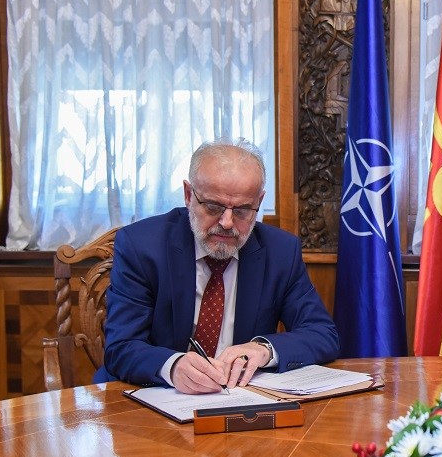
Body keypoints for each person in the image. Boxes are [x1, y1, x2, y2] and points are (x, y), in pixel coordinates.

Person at [95, 138, 339, 393]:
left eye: (242, 210)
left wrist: (264, 349)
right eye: (213, 207)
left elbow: (322, 333)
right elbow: (121, 347)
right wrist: (172, 366)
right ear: (188, 195)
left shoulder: (280, 251)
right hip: (151, 397)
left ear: (259, 202)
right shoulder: (142, 246)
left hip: (239, 398)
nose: (227, 222)